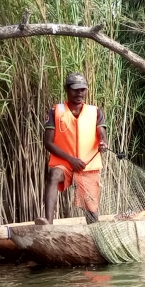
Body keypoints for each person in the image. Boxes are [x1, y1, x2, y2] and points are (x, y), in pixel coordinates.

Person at [36, 73, 108, 225]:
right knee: (54, 175)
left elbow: (102, 133)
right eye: (75, 89)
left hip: (87, 166)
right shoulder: (55, 111)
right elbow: (48, 142)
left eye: (83, 89)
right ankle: (48, 222)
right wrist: (71, 160)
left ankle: (92, 233)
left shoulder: (95, 111)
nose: (79, 93)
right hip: (66, 164)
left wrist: (103, 142)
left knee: (92, 216)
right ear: (67, 90)